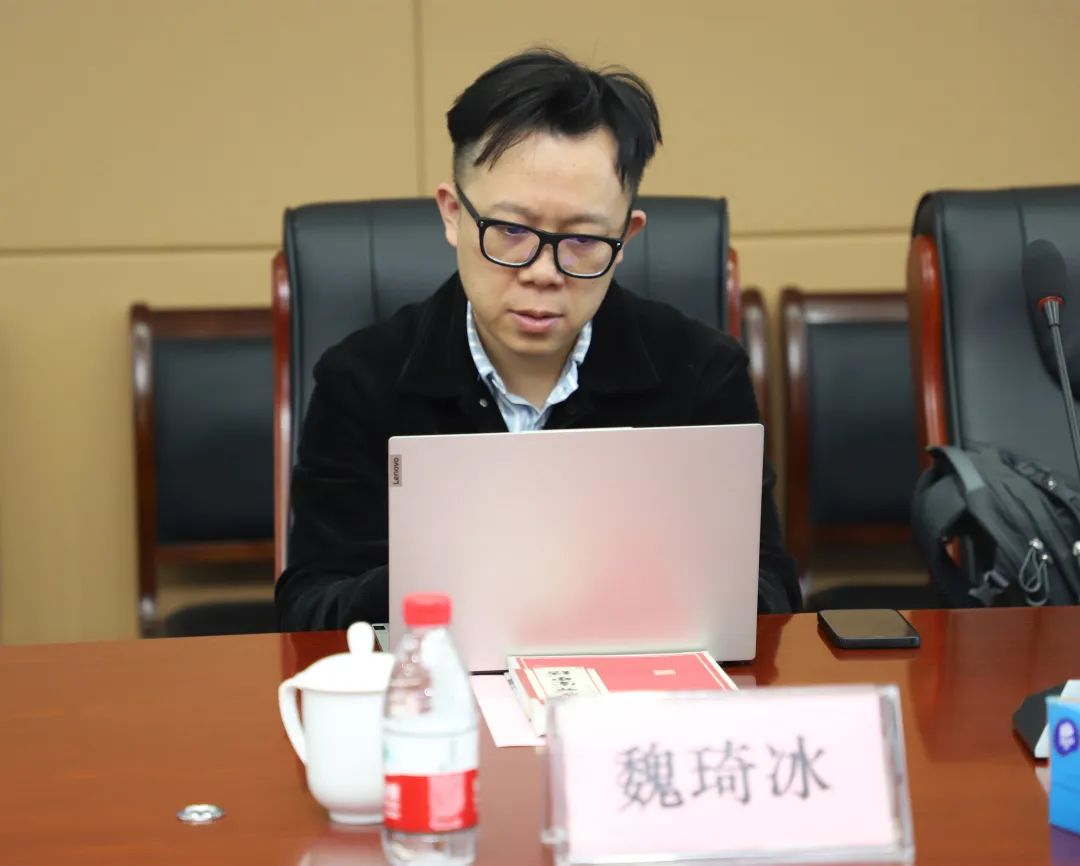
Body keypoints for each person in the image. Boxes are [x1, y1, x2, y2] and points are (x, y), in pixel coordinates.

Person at [276, 49, 801, 631]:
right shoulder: (360, 379)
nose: (542, 272)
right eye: (510, 230)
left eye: (583, 240)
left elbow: (770, 592)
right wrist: (437, 580)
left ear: (626, 238)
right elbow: (310, 608)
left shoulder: (703, 375)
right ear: (452, 214)